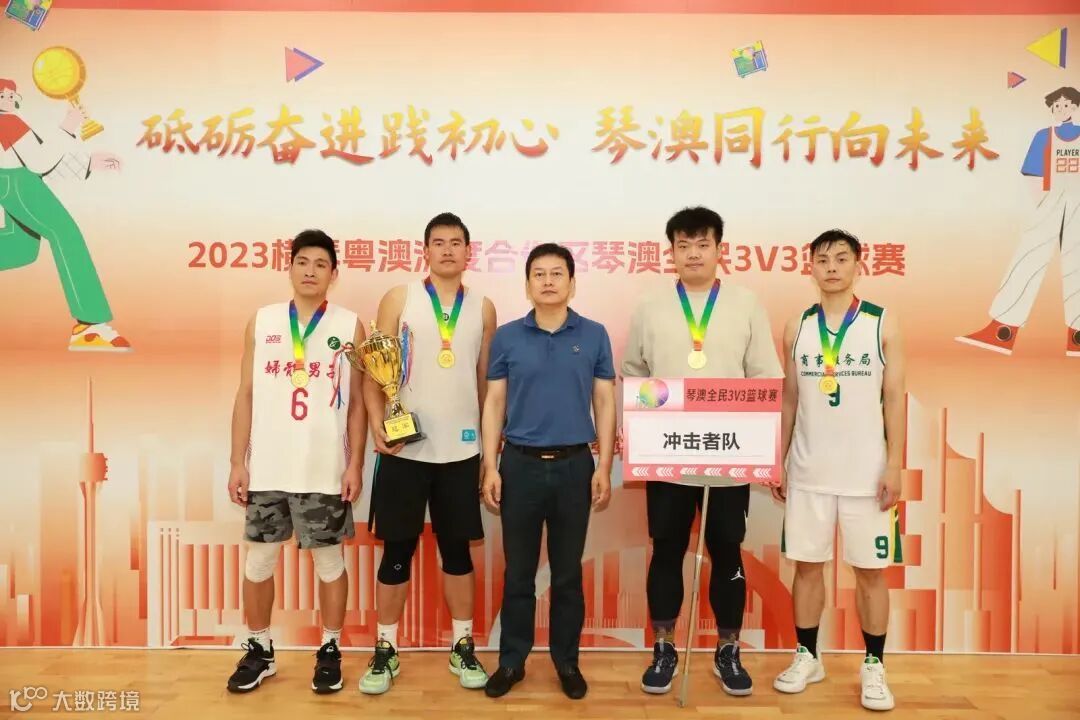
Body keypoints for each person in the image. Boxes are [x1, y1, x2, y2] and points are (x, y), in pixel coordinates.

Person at [622, 206, 782, 696]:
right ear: (670, 251)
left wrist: (762, 446)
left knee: (727, 551)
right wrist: (641, 423)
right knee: (666, 550)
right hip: (668, 455)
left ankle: (728, 650)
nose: (693, 253)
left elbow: (765, 376)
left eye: (702, 244)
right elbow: (634, 373)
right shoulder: (650, 305)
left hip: (728, 456)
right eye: (683, 245)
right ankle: (664, 647)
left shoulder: (746, 303)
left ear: (719, 250)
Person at [360, 212, 496, 695]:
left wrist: (488, 451)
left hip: (462, 451)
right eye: (438, 243)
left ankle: (463, 645)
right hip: (405, 447)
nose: (447, 250)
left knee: (457, 552)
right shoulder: (399, 298)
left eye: (456, 243)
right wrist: (376, 424)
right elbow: (374, 368)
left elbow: (487, 384)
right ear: (425, 250)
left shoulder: (483, 307)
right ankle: (386, 648)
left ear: (468, 252)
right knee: (397, 551)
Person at [225, 230, 366, 695]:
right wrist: (237, 461)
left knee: (329, 562)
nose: (310, 271)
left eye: (321, 264)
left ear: (334, 274)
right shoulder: (262, 321)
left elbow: (358, 404)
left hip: (324, 468)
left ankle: (329, 649)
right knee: (259, 561)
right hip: (267, 467)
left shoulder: (350, 326)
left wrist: (354, 464)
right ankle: (260, 650)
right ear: (289, 267)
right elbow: (245, 394)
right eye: (302, 261)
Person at [772, 229, 905, 712]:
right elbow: (789, 399)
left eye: (841, 259)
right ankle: (808, 656)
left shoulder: (881, 323)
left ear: (858, 266)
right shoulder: (797, 326)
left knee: (870, 572)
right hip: (808, 470)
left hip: (866, 476)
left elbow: (895, 398)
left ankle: (874, 666)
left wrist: (895, 463)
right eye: (823, 259)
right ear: (810, 267)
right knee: (807, 567)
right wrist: (779, 458)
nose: (832, 267)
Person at [481, 243, 616, 700]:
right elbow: (494, 402)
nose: (548, 281)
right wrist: (490, 465)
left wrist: (604, 466)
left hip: (575, 466)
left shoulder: (594, 334)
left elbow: (604, 400)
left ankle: (567, 662)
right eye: (538, 274)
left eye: (557, 273)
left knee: (566, 575)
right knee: (519, 572)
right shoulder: (507, 337)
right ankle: (512, 661)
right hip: (518, 466)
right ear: (527, 285)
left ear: (572, 283)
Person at [0, 78, 129, 350]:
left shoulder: (9, 122)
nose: (9, 99)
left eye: (12, 95)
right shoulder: (9, 122)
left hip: (13, 182)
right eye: (4, 95)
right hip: (21, 184)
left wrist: (88, 164)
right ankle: (89, 325)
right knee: (66, 235)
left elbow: (35, 163)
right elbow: (39, 162)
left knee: (21, 249)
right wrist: (67, 127)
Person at [957, 86, 1080, 357]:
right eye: (1056, 106)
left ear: (1074, 106)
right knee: (1028, 258)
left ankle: (1077, 336)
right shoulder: (1044, 136)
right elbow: (1032, 173)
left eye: (1065, 105)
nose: (1060, 109)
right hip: (1050, 201)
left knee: (1078, 264)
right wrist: (1044, 204)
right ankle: (1002, 330)